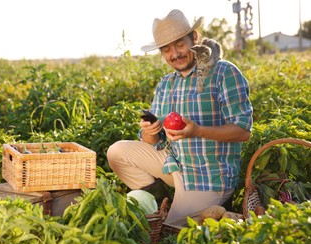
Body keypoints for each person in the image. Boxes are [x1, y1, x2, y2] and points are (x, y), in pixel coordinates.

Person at [106, 9, 253, 224]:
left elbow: (243, 131)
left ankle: (206, 206)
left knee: (170, 233)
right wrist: (151, 132)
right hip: (175, 164)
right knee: (117, 152)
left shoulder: (224, 72)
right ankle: (162, 202)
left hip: (208, 176)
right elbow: (152, 143)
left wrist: (198, 130)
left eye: (180, 45)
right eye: (166, 50)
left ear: (194, 38)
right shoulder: (167, 83)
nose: (175, 54)